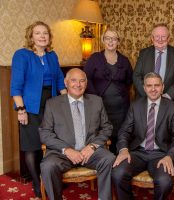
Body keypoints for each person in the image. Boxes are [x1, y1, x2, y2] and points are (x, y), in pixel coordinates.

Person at [10, 21, 66, 198]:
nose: (42, 36)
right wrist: (21, 109)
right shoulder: (22, 55)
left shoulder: (52, 56)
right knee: (32, 146)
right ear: (31, 36)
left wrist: (67, 103)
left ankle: (49, 179)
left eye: (45, 33)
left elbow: (59, 81)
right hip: (31, 106)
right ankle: (37, 183)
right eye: (38, 33)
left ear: (49, 37)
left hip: (52, 103)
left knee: (51, 144)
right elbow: (16, 86)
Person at [39, 68, 115, 200]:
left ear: (86, 83)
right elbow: (45, 133)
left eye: (82, 81)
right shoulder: (53, 104)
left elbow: (107, 127)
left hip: (90, 152)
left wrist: (92, 146)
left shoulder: (97, 101)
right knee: (47, 166)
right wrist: (67, 150)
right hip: (62, 154)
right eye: (73, 80)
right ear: (66, 82)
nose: (78, 84)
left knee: (108, 158)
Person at [112, 72, 174, 200]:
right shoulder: (135, 105)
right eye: (149, 85)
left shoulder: (172, 108)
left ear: (162, 87)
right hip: (137, 153)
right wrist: (123, 150)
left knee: (164, 181)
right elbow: (124, 131)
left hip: (161, 154)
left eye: (157, 85)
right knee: (118, 173)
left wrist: (170, 156)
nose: (153, 89)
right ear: (144, 88)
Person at [84, 28, 133, 154]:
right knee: (101, 136)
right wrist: (96, 98)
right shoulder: (94, 58)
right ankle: (104, 164)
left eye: (114, 38)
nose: (111, 41)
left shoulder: (124, 60)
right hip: (100, 107)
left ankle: (118, 166)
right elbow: (86, 78)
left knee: (119, 136)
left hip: (121, 109)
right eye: (107, 38)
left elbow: (129, 81)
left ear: (118, 41)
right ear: (103, 40)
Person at [133, 23, 174, 111]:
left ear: (168, 38)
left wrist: (168, 96)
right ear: (152, 38)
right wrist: (148, 94)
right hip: (146, 101)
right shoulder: (144, 53)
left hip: (171, 102)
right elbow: (136, 76)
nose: (160, 40)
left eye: (163, 36)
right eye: (157, 36)